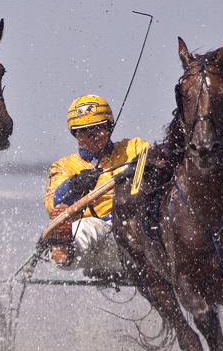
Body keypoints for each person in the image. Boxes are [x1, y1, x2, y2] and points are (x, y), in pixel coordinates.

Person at [44, 95, 148, 278]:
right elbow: (53, 205)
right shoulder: (64, 166)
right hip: (100, 240)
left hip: (138, 231)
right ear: (75, 135)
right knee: (86, 227)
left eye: (98, 128)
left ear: (109, 127)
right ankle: (64, 251)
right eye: (84, 131)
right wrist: (74, 186)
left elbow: (152, 163)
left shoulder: (132, 148)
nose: (92, 136)